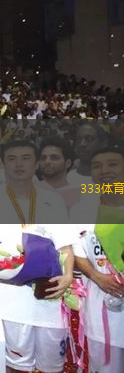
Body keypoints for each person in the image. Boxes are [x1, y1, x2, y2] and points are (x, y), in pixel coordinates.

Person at [0, 140, 73, 373]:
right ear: (3, 164)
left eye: (26, 158)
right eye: (12, 159)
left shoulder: (53, 199)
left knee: (52, 367)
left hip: (50, 295)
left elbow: (65, 245)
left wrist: (68, 276)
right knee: (13, 365)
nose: (18, 164)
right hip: (10, 299)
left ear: (36, 163)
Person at [71, 147, 124, 373]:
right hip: (101, 306)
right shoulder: (82, 209)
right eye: (97, 166)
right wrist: (97, 277)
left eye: (112, 164)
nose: (104, 170)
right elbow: (76, 252)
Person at [36, 136, 81, 212]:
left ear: (67, 163)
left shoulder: (80, 195)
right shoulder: (28, 191)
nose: (47, 161)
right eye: (43, 158)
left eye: (54, 158)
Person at [67, 121, 108, 186]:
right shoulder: (68, 179)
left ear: (104, 144)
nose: (82, 144)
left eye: (89, 139)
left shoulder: (117, 178)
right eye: (79, 140)